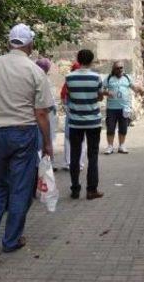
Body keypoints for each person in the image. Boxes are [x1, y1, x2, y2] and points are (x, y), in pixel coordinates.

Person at [0, 23, 54, 252]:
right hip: (23, 133)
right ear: (30, 44)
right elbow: (41, 113)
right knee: (19, 188)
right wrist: (47, 143)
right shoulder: (35, 71)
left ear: (9, 43)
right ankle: (11, 240)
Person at [64, 49, 104, 200]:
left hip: (75, 122)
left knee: (75, 155)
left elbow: (70, 96)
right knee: (92, 156)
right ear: (91, 60)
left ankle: (75, 189)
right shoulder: (96, 77)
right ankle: (91, 190)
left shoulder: (69, 77)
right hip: (93, 121)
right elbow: (99, 97)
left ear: (78, 60)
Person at [103, 61, 144, 155]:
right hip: (111, 108)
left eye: (121, 67)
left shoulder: (127, 77)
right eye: (117, 68)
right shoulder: (109, 78)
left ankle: (122, 146)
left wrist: (140, 90)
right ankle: (110, 146)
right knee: (110, 128)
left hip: (124, 108)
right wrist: (107, 93)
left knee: (123, 128)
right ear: (114, 69)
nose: (120, 69)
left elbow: (134, 88)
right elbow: (102, 89)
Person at [60, 61, 86, 171]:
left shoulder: (68, 81)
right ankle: (79, 163)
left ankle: (68, 163)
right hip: (83, 114)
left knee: (68, 139)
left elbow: (63, 97)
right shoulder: (85, 81)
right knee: (82, 139)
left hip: (71, 114)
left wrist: (67, 109)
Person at [36, 58, 58, 170]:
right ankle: (46, 163)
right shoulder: (42, 79)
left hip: (45, 112)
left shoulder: (40, 78)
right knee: (46, 138)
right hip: (44, 113)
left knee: (45, 138)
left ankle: (47, 163)